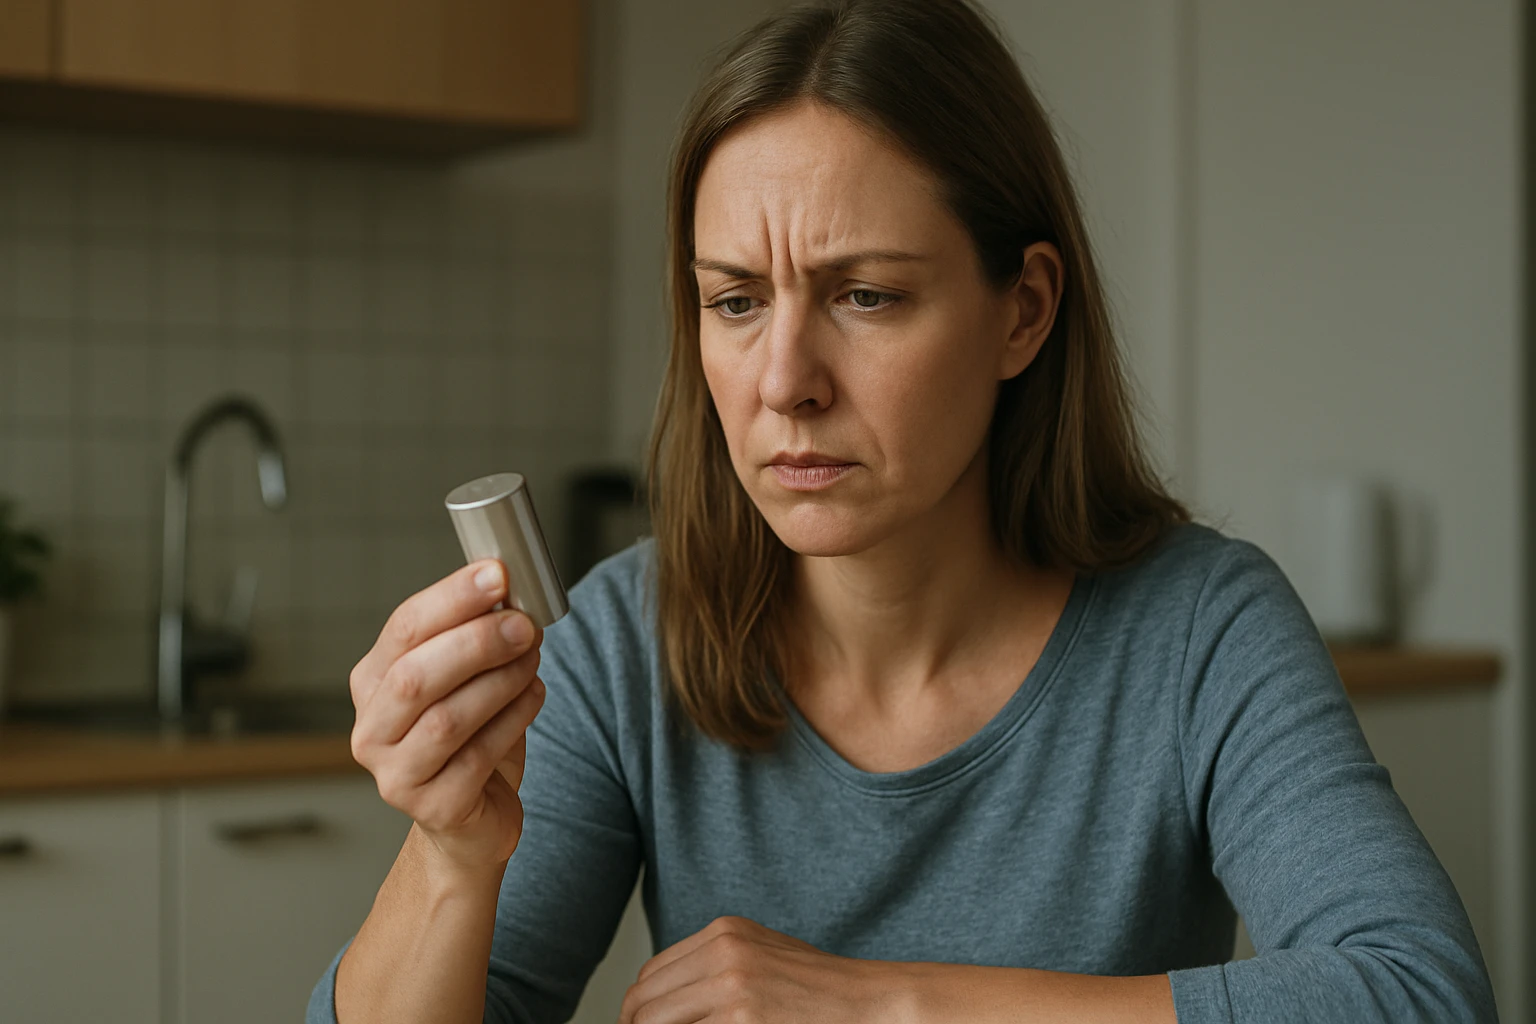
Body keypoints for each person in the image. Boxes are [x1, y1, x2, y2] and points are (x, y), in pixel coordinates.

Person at [308, 0, 1496, 1020]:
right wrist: (454, 859)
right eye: (734, 302)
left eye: (865, 295)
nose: (784, 381)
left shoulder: (1199, 627)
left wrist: (881, 999)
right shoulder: (625, 643)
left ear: (1022, 311)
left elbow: (1417, 991)